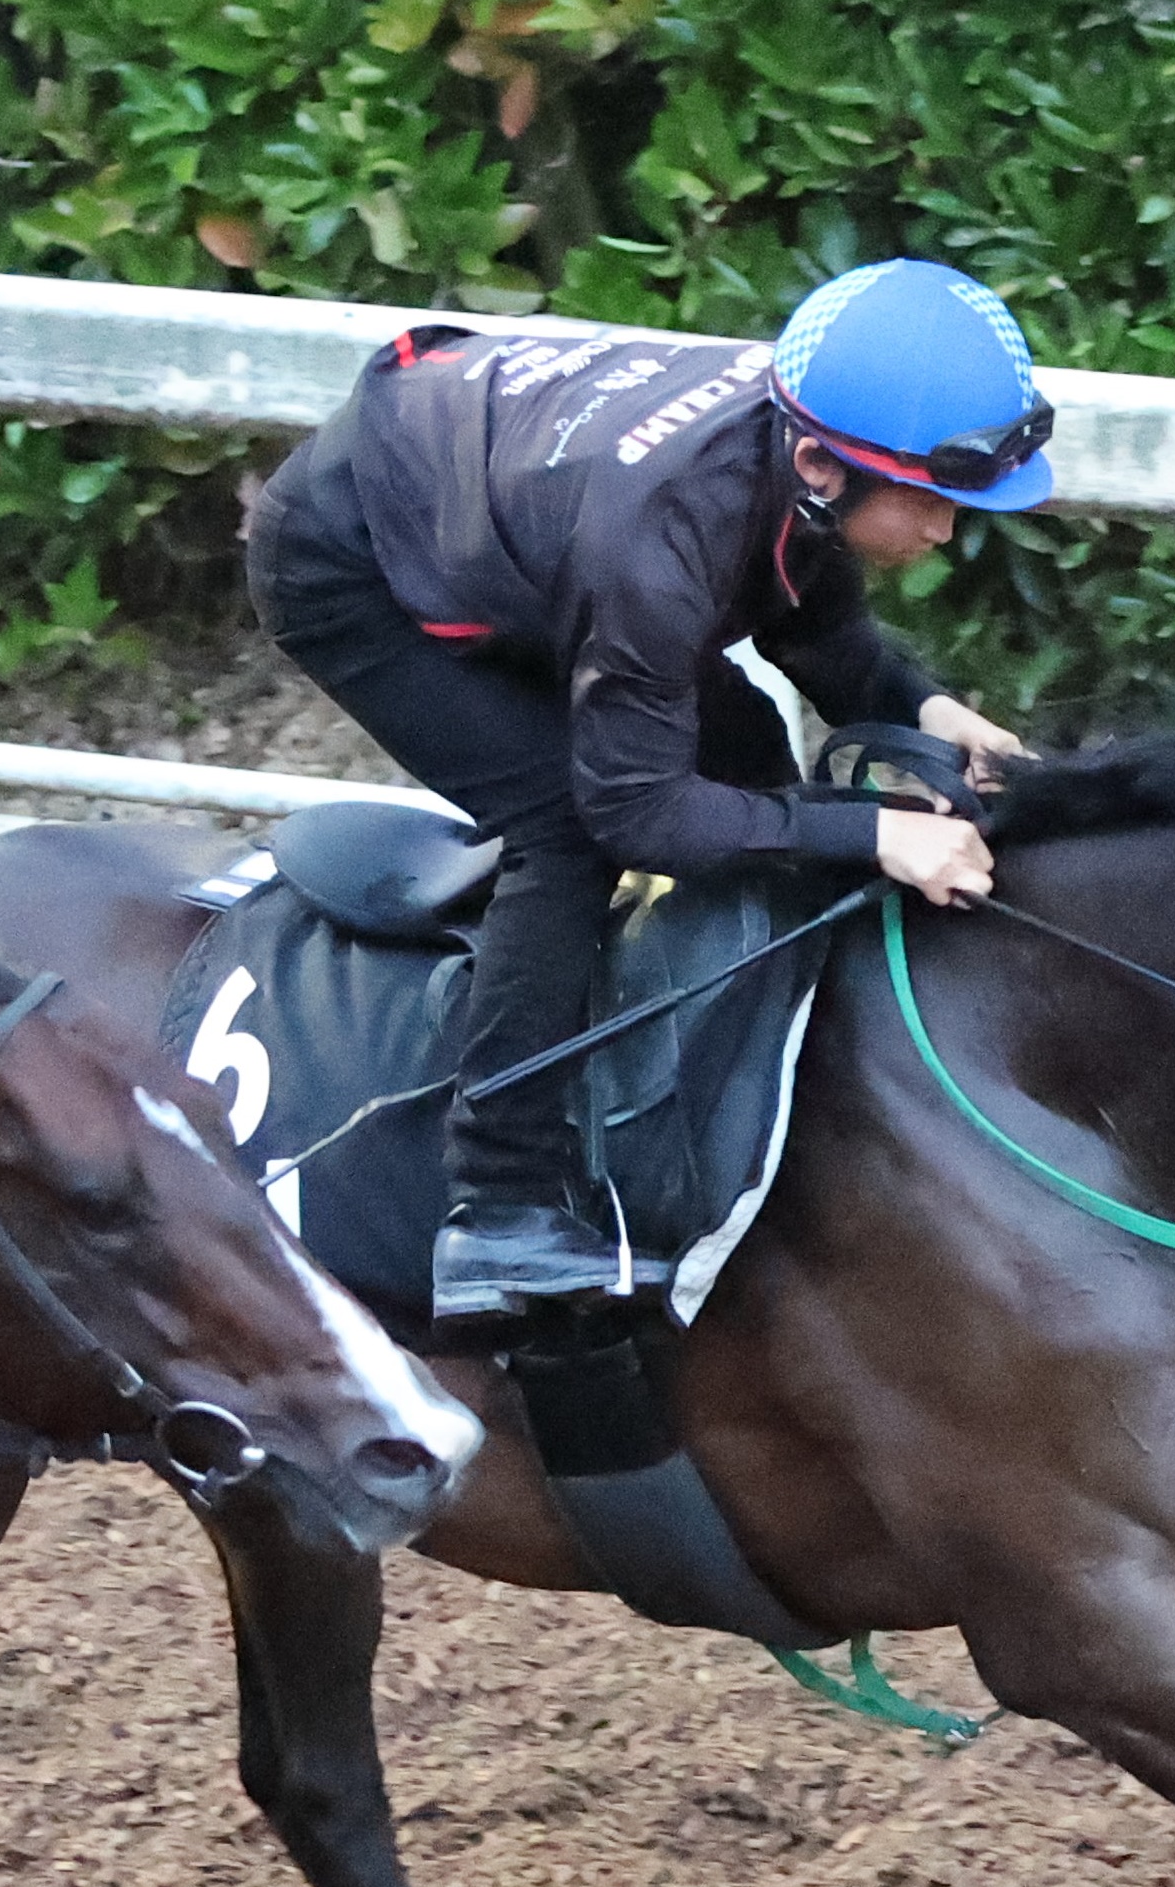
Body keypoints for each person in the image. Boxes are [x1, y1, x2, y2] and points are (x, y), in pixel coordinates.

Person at [244, 257, 1056, 1322]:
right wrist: (878, 836)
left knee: (748, 735)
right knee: (563, 828)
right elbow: (635, 810)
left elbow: (815, 626)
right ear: (818, 463)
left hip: (516, 514)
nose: (948, 531)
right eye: (933, 502)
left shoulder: (797, 452)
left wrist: (932, 711)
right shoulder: (662, 537)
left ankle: (736, 1063)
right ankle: (498, 1203)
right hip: (357, 568)